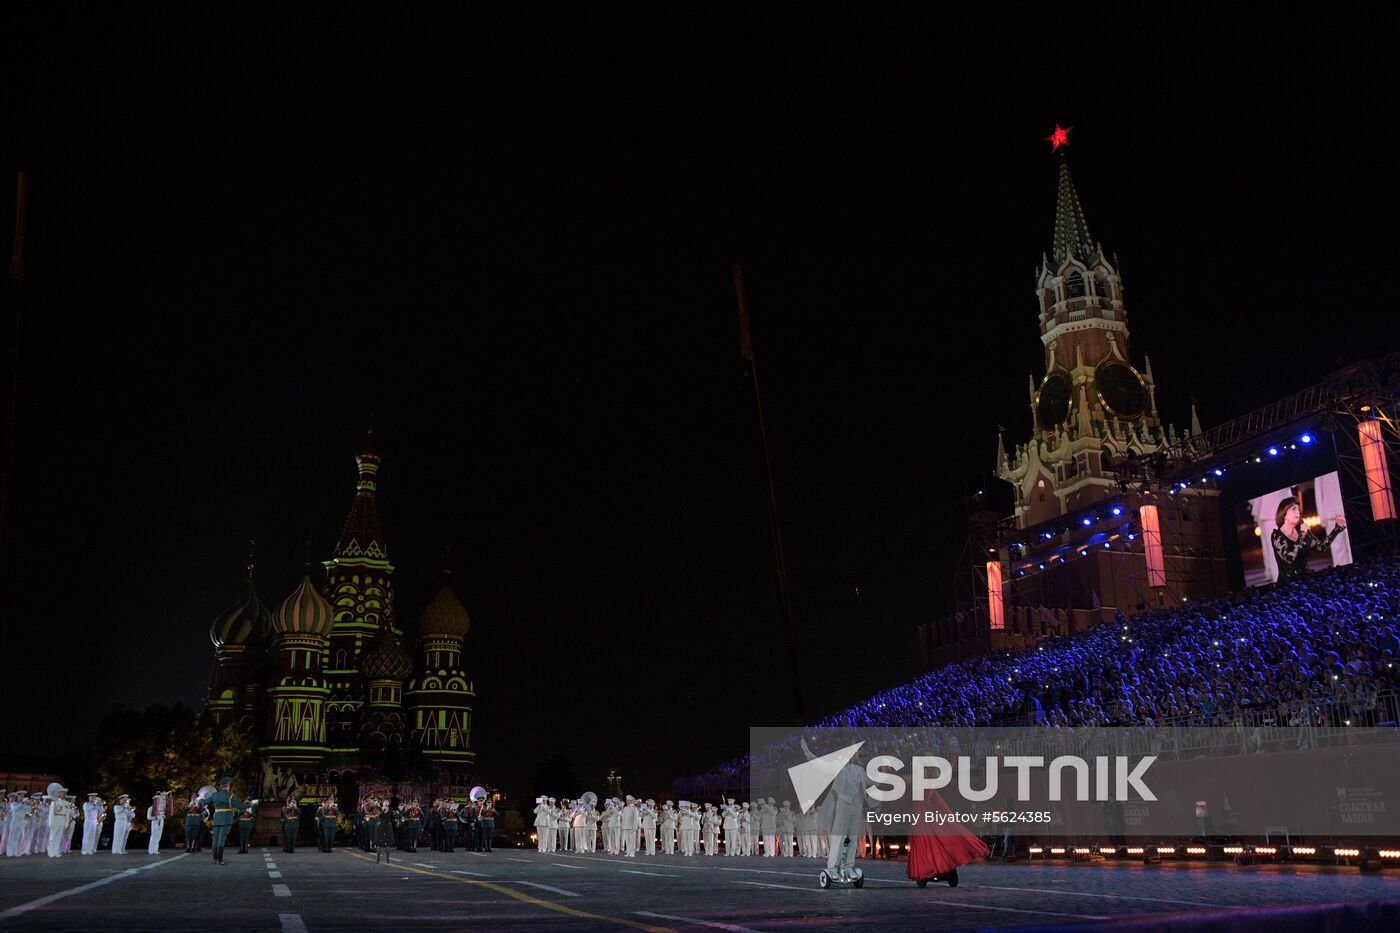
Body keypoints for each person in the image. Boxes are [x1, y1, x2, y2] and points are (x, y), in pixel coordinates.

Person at [905, 786, 988, 888]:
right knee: (927, 843)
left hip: (926, 815)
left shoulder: (925, 789)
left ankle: (938, 868)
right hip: (922, 816)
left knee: (932, 842)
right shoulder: (921, 790)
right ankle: (934, 868)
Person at [1272, 498, 1346, 583]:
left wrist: (1337, 528)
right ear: (1284, 513)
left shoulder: (1301, 529)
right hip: (1288, 583)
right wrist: (1302, 534)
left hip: (1306, 577)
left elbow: (1320, 547)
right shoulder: (1277, 535)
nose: (1297, 512)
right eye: (1293, 509)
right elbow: (1289, 558)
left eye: (1298, 509)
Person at [207, 776, 249, 866]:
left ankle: (215, 858)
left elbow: (205, 801)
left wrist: (200, 800)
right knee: (222, 838)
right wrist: (249, 805)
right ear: (228, 785)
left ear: (221, 786)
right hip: (226, 818)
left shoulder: (215, 795)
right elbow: (238, 806)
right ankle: (220, 859)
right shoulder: (230, 796)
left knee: (215, 838)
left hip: (217, 818)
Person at [46, 784, 74, 858]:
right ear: (58, 794)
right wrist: (50, 823)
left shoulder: (66, 803)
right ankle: (51, 852)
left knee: (59, 838)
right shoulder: (54, 802)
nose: (64, 795)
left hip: (62, 822)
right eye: (62, 793)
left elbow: (67, 815)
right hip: (55, 822)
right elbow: (51, 814)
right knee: (52, 837)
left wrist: (66, 824)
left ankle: (56, 851)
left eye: (65, 793)